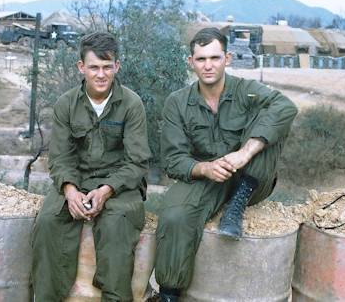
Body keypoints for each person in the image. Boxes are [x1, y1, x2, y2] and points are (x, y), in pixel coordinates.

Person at [153, 27, 298, 302]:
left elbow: (286, 107)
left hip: (252, 177)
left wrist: (245, 152)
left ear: (227, 58)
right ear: (191, 62)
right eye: (201, 59)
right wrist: (204, 168)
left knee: (271, 121)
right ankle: (170, 293)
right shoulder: (178, 102)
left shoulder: (246, 91)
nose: (208, 65)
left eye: (215, 58)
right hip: (209, 177)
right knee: (174, 217)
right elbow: (173, 160)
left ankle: (237, 205)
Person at [31, 31, 151, 302]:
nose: (101, 74)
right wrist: (71, 192)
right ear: (81, 67)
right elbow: (60, 158)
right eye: (94, 67)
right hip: (77, 179)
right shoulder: (66, 104)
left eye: (107, 67)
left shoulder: (131, 104)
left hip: (120, 184)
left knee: (116, 225)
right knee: (48, 222)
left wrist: (106, 191)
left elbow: (137, 162)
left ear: (117, 67)